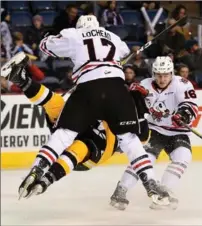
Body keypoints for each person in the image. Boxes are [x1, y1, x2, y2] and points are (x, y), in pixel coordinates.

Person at [4, 16, 170, 208]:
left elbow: (45, 47)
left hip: (88, 88)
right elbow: (123, 50)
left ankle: (39, 167)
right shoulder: (112, 36)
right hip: (116, 87)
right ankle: (150, 182)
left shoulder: (74, 34)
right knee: (129, 139)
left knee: (64, 133)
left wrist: (47, 37)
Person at [110, 56, 198, 210]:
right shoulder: (144, 85)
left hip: (178, 132)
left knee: (183, 157)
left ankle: (163, 191)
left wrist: (184, 114)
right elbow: (130, 108)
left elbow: (190, 105)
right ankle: (121, 190)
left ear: (171, 73)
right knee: (144, 160)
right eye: (158, 75)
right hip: (154, 131)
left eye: (165, 75)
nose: (162, 79)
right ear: (153, 73)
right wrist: (134, 95)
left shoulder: (182, 84)